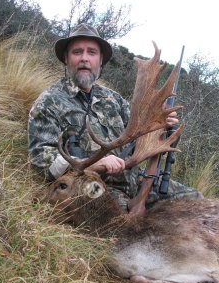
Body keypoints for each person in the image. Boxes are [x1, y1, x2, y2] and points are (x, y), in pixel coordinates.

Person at [28, 23, 202, 210]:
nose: (84, 58)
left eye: (92, 52)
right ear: (66, 58)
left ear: (100, 60)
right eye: (77, 52)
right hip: (93, 189)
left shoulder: (113, 99)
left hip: (138, 180)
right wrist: (96, 164)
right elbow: (41, 161)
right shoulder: (49, 102)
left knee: (196, 202)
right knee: (123, 225)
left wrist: (164, 126)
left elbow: (148, 136)